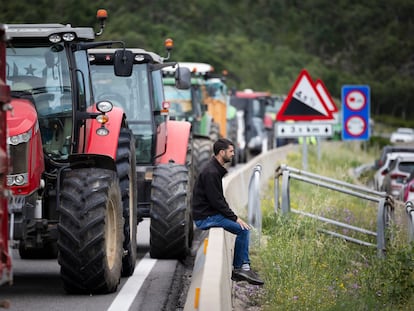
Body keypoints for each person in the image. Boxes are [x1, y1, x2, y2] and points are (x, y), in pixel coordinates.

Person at [191, 138, 264, 285]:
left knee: (243, 227)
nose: (233, 154)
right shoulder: (211, 172)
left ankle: (244, 266)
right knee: (243, 229)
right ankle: (240, 268)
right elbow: (217, 201)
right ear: (221, 152)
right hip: (206, 217)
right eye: (231, 151)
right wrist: (235, 218)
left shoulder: (213, 169)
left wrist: (233, 217)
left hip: (209, 214)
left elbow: (218, 200)